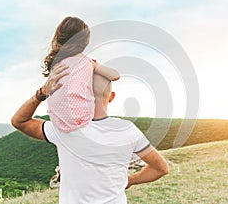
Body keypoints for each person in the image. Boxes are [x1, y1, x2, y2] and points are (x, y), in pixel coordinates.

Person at [11, 64, 169, 204]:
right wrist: (129, 181)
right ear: (112, 97)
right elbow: (161, 168)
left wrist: (41, 93)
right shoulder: (128, 130)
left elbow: (20, 121)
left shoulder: (64, 128)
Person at [43, 16, 120, 133]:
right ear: (86, 42)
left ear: (59, 38)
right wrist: (95, 65)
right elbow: (115, 75)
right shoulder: (86, 62)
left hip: (58, 123)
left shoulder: (56, 65)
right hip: (82, 122)